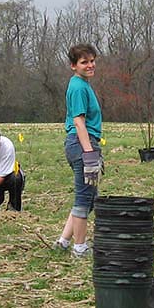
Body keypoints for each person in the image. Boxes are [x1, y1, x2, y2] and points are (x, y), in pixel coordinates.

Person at [54, 44, 103, 258]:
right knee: (84, 198)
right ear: (73, 66)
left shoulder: (84, 84)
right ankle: (80, 248)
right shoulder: (77, 87)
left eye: (92, 60)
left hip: (85, 144)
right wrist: (90, 154)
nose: (90, 65)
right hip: (81, 144)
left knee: (88, 196)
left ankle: (64, 241)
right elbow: (78, 121)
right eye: (84, 62)